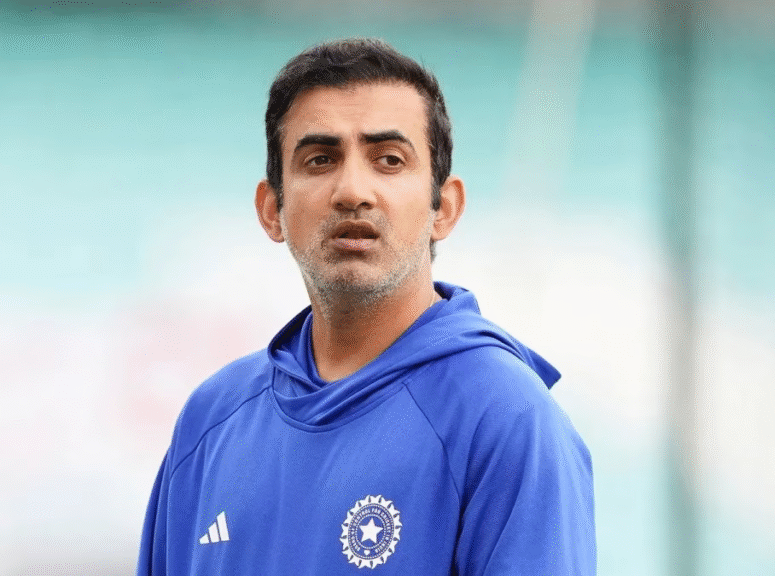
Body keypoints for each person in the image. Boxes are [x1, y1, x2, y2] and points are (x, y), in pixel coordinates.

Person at [135, 38, 595, 575]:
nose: (353, 190)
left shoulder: (507, 420)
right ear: (272, 209)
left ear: (444, 209)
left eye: (389, 160)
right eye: (320, 160)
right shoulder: (211, 420)